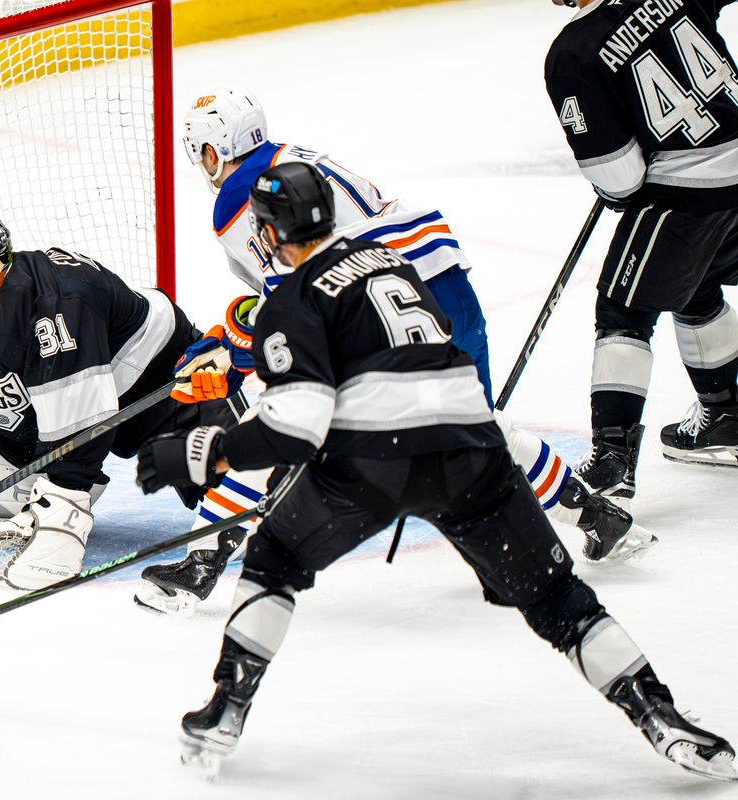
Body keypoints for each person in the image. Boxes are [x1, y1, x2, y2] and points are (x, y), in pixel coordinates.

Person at [135, 162, 736, 783]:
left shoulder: (293, 298)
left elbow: (298, 425)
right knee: (558, 599)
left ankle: (225, 710)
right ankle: (659, 713)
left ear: (272, 231)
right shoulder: (388, 262)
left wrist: (208, 450)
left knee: (273, 561)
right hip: (473, 451)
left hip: (375, 462)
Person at [135, 89, 650, 616]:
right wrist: (237, 337)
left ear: (213, 151)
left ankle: (198, 566)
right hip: (440, 289)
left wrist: (235, 354)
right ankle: (595, 516)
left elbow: (292, 301)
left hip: (368, 316)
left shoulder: (245, 197)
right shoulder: (297, 157)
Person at [0, 200, 264, 592]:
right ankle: (45, 481)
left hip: (154, 378)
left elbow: (82, 422)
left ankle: (62, 506)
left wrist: (63, 516)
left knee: (250, 509)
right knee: (7, 453)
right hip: (45, 403)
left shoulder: (53, 298)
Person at [546, 0, 738, 486]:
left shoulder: (573, 53)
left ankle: (612, 459)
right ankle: (725, 415)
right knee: (695, 283)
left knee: (624, 312)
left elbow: (621, 181)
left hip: (688, 198)